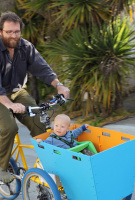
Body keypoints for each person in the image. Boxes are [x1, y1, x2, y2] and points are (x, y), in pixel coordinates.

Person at [0, 12, 70, 183]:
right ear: (0, 31)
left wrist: (59, 85)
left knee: (40, 121)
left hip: (17, 92)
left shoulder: (26, 47)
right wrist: (9, 105)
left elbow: (42, 68)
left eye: (16, 31)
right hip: (1, 96)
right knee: (9, 128)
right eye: (9, 32)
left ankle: (49, 166)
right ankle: (0, 169)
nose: (13, 35)